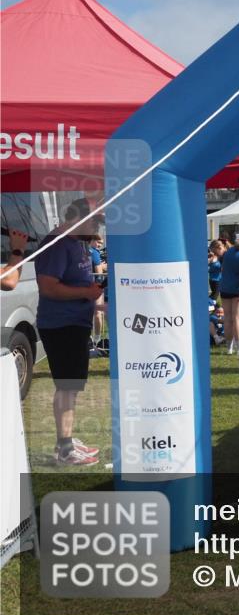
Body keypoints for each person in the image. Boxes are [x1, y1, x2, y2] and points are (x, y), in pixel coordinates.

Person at [34, 198, 104, 465]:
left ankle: (66, 439)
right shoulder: (57, 245)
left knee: (71, 386)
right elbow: (49, 287)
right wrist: (86, 293)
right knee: (67, 385)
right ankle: (64, 449)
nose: (97, 227)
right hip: (62, 325)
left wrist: (96, 302)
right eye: (95, 220)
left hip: (74, 323)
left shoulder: (76, 243)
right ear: (79, 218)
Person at [218, 235, 239, 352]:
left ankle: (229, 346)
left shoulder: (228, 252)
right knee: (237, 318)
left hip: (225, 287)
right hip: (236, 289)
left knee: (228, 318)